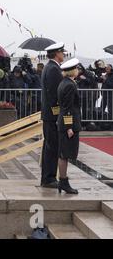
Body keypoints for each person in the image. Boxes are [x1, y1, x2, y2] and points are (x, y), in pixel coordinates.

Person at [40, 42, 65, 189]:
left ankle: (47, 177)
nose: (63, 55)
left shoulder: (49, 67)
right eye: (62, 52)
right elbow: (54, 95)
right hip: (52, 115)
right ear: (57, 53)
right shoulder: (54, 69)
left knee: (49, 146)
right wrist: (57, 115)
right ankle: (49, 178)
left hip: (48, 114)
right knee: (52, 147)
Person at [57, 58, 82, 194]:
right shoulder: (69, 85)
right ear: (73, 70)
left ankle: (63, 181)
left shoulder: (64, 83)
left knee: (64, 154)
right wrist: (69, 127)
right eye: (76, 68)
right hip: (68, 124)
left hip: (65, 122)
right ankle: (63, 181)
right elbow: (67, 107)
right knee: (64, 154)